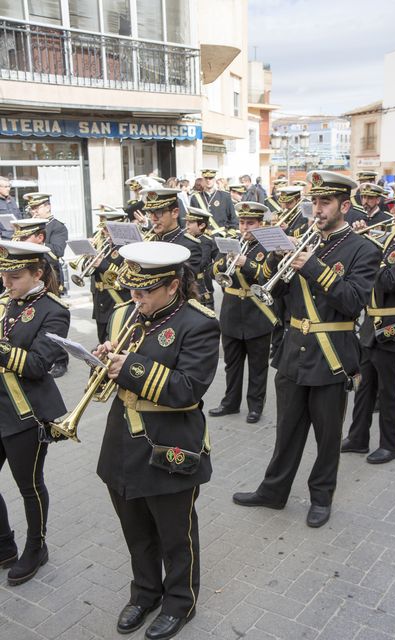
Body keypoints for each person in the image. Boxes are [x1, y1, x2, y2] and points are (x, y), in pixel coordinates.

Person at [233, 171, 380, 527]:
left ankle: (320, 497)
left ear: (345, 205)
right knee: (287, 430)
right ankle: (273, 491)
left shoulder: (363, 250)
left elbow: (353, 302)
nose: (317, 209)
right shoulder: (302, 240)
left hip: (331, 355)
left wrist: (312, 266)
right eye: (314, 201)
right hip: (293, 352)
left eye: (325, 202)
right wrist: (275, 264)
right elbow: (280, 296)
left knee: (327, 436)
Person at [95, 242, 220, 639]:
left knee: (175, 535)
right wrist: (101, 360)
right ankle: (145, 592)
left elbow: (188, 389)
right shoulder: (123, 315)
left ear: (172, 285)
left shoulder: (198, 323)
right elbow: (109, 379)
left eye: (145, 290)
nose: (136, 297)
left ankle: (180, 602)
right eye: (132, 288)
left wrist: (128, 365)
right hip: (122, 442)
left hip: (170, 447)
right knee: (136, 531)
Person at [0, 240, 70, 584]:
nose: (6, 283)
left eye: (14, 276)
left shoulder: (54, 310)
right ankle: (4, 544)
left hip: (26, 413)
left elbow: (40, 364)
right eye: (3, 275)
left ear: (37, 273)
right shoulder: (5, 303)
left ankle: (36, 546)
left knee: (28, 485)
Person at [342, 183, 395, 462]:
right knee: (365, 385)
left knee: (390, 390)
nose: (392, 212)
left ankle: (392, 444)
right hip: (373, 322)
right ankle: (358, 438)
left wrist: (364, 254)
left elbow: (390, 280)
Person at [209, 201, 278, 423]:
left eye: (251, 223)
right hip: (231, 313)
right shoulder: (233, 243)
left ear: (260, 224)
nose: (245, 227)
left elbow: (268, 277)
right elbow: (213, 270)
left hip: (256, 314)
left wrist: (246, 263)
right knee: (232, 364)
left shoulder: (267, 247)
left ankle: (255, 407)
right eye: (242, 222)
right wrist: (225, 262)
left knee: (258, 367)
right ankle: (230, 403)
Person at [23, 193, 69, 378]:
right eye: (32, 208)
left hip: (50, 278)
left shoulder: (57, 226)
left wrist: (36, 242)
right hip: (31, 277)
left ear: (47, 206)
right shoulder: (30, 225)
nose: (33, 212)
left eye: (37, 208)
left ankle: (61, 359)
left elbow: (58, 251)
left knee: (53, 321)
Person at [89, 210, 133, 343]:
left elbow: (125, 277)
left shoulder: (129, 247)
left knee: (116, 344)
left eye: (107, 229)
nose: (103, 232)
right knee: (102, 342)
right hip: (100, 304)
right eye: (103, 228)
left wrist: (102, 263)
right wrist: (88, 255)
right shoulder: (103, 245)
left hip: (117, 303)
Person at [142, 188, 203, 276]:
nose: (153, 218)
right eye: (150, 212)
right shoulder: (149, 240)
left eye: (159, 212)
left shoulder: (189, 246)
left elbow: (187, 282)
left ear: (175, 213)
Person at [184, 206, 218, 309]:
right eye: (187, 222)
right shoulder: (186, 238)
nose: (187, 225)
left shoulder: (206, 241)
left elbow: (202, 262)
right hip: (188, 281)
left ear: (202, 225)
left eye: (191, 222)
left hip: (201, 285)